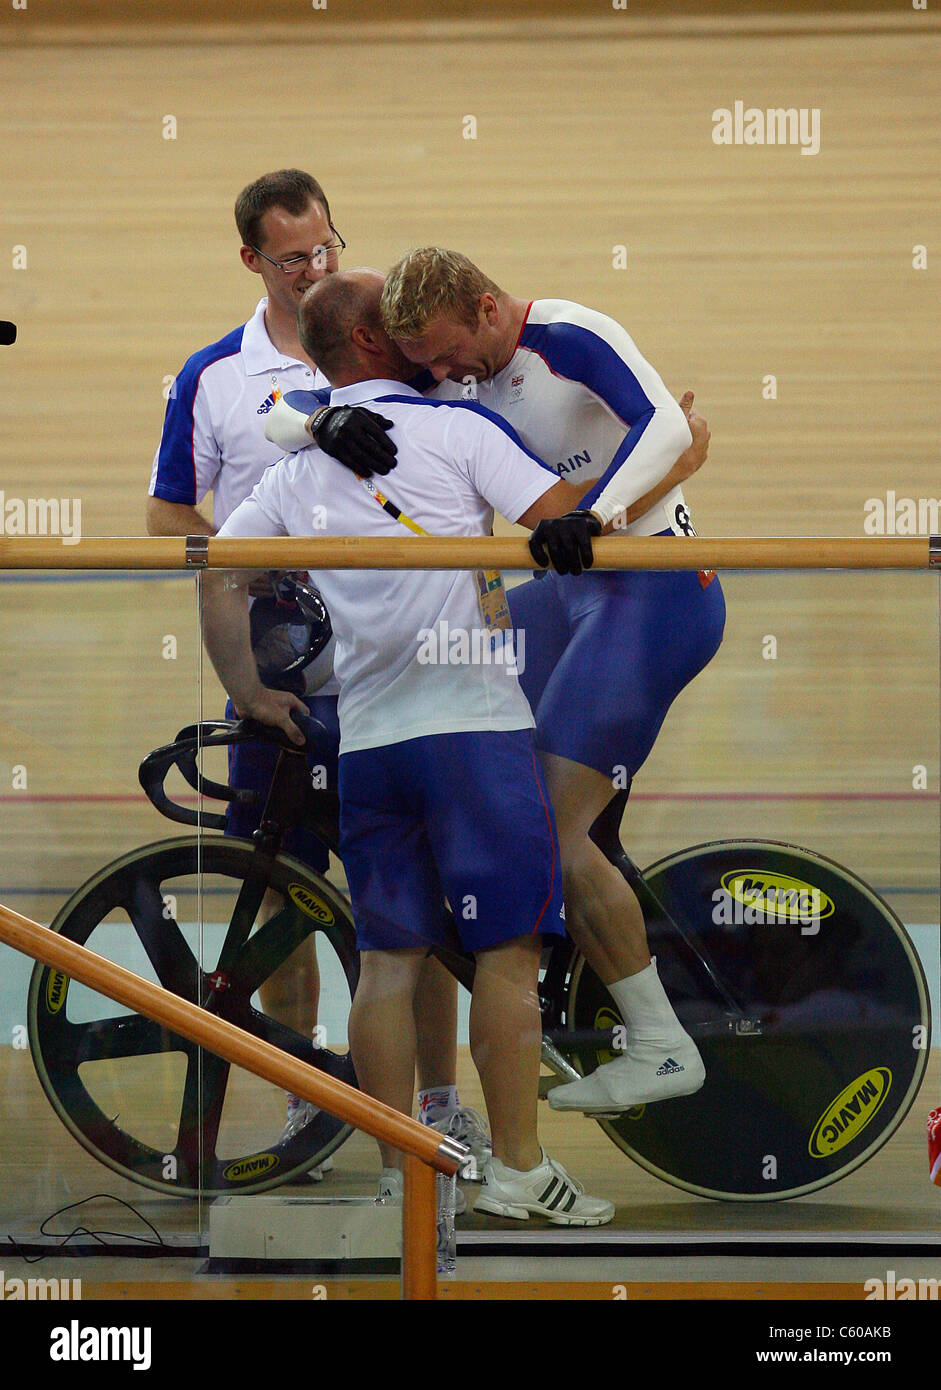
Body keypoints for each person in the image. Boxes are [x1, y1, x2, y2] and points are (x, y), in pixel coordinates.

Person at [269, 248, 724, 1115]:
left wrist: (600, 512)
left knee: (550, 828)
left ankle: (661, 1044)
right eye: (426, 365)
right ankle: (544, 878)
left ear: (485, 306)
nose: (441, 376)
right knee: (455, 665)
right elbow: (295, 408)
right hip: (573, 593)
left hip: (649, 595)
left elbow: (666, 426)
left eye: (446, 355)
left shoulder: (568, 333)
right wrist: (318, 426)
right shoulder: (455, 373)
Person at [201, 268, 614, 1224]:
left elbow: (217, 564)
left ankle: (404, 1183)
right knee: (507, 956)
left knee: (390, 963)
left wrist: (247, 690)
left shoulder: (295, 472)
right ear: (381, 343)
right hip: (472, 727)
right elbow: (565, 514)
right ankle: (516, 1171)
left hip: (371, 741)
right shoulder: (459, 430)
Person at [145, 173, 478, 1164]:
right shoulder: (213, 375)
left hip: (399, 675)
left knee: (410, 905)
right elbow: (169, 520)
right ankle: (302, 1092)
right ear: (251, 259)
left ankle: (435, 1105)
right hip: (282, 680)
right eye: (293, 256)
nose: (316, 268)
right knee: (286, 896)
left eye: (327, 245)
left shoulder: (400, 354)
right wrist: (259, 613)